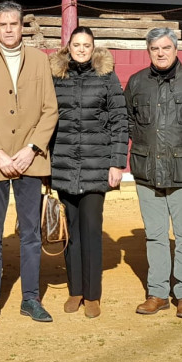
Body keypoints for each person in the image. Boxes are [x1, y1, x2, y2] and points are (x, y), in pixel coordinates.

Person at [0, 0, 59, 325]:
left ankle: (30, 298)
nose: (8, 29)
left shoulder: (39, 60)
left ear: (22, 26)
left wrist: (31, 148)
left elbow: (50, 110)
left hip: (29, 159)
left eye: (14, 24)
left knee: (31, 233)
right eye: (3, 24)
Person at [124, 26, 182, 319]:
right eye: (154, 49)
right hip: (147, 170)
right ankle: (158, 293)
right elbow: (127, 122)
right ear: (148, 51)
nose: (160, 53)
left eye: (165, 48)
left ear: (176, 49)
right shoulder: (136, 83)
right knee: (155, 235)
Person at [49, 27, 128, 320]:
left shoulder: (106, 76)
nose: (82, 49)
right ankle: (75, 291)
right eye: (77, 44)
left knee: (92, 230)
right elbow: (47, 119)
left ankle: (92, 294)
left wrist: (117, 163)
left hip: (97, 165)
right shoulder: (56, 76)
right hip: (64, 163)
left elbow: (120, 120)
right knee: (70, 232)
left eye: (87, 45)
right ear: (68, 47)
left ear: (94, 48)